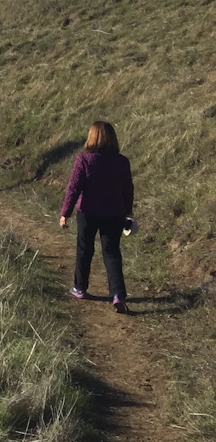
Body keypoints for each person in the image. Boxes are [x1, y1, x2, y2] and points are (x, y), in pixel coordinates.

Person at [60, 121, 134, 314]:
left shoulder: (84, 159)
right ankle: (118, 294)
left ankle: (80, 287)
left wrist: (65, 213)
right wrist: (128, 212)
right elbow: (128, 189)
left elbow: (74, 188)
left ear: (91, 137)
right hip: (115, 213)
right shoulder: (122, 161)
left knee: (85, 249)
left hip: (88, 212)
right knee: (112, 253)